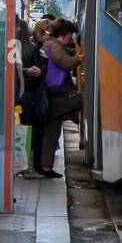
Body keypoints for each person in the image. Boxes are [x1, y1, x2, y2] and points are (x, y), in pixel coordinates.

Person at [39, 19, 82, 179]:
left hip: (52, 94)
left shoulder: (50, 45)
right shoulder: (54, 46)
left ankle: (46, 166)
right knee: (84, 101)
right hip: (57, 95)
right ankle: (77, 119)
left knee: (52, 130)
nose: (71, 39)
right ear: (64, 34)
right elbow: (66, 63)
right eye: (70, 35)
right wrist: (80, 58)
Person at [14, 18, 48, 179]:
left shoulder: (11, 48)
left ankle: (18, 166)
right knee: (28, 132)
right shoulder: (32, 49)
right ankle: (26, 165)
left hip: (14, 97)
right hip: (29, 97)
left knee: (17, 131)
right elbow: (40, 73)